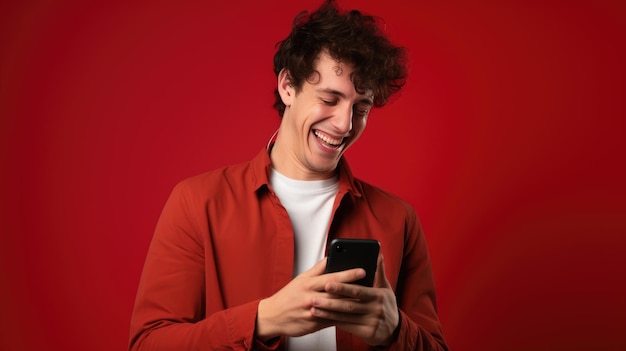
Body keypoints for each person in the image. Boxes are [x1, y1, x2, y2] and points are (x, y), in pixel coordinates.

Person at [129, 1, 448, 350]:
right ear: (288, 87)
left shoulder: (398, 219)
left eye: (360, 108)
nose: (344, 125)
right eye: (329, 98)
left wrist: (394, 330)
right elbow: (149, 343)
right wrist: (264, 319)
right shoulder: (197, 203)